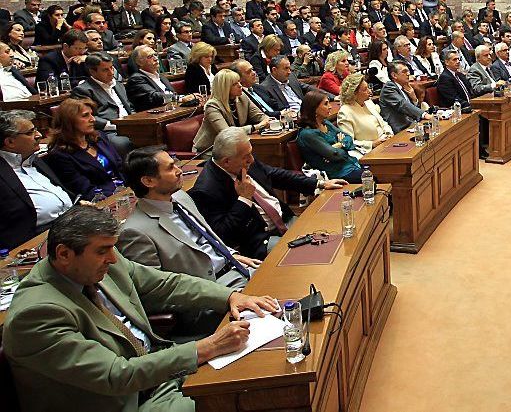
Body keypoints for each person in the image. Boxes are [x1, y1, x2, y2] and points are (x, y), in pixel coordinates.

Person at [3, 205, 279, 412]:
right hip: (130, 401)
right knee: (248, 402)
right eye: (102, 251)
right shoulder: (37, 314)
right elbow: (117, 375)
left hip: (160, 370)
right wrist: (207, 347)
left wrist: (230, 296)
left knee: (264, 373)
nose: (113, 259)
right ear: (63, 254)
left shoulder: (98, 263)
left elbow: (165, 285)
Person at [190, 127, 344, 259]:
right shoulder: (206, 190)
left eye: (251, 154)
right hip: (259, 240)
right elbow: (223, 235)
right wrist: (243, 199)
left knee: (331, 235)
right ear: (226, 162)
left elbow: (277, 175)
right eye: (246, 157)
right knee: (312, 253)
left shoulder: (244, 158)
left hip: (285, 220)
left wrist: (319, 183)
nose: (251, 159)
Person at [119, 147, 259, 289]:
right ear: (148, 181)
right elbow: (155, 289)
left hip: (234, 268)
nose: (179, 171)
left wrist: (229, 254)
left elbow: (205, 236)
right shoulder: (135, 232)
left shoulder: (181, 196)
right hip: (212, 289)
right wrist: (226, 296)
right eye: (170, 168)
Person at [0, 110, 74, 249]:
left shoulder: (36, 160)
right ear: (10, 142)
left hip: (70, 225)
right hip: (37, 242)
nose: (39, 135)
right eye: (30, 133)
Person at [44, 97, 125, 200]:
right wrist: (118, 196)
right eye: (85, 115)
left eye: (92, 114)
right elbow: (85, 190)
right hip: (101, 202)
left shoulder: (99, 138)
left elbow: (119, 167)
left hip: (124, 193)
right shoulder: (60, 155)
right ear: (69, 121)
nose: (93, 119)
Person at [70, 53, 134, 155]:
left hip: (130, 125)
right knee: (125, 142)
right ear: (92, 71)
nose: (111, 73)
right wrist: (115, 126)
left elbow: (130, 107)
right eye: (105, 70)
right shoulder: (83, 90)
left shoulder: (118, 85)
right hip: (108, 131)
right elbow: (87, 117)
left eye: (111, 68)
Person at [193, 69, 270, 153]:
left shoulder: (242, 97)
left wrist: (266, 121)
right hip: (210, 150)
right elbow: (227, 133)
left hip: (234, 147)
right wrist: (255, 127)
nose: (240, 86)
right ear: (224, 87)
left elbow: (260, 116)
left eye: (239, 82)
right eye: (235, 84)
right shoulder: (212, 106)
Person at [297, 91, 364, 182]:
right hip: (338, 174)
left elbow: (348, 138)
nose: (330, 106)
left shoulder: (326, 123)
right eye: (325, 104)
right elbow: (336, 155)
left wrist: (340, 145)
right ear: (314, 108)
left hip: (352, 164)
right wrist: (340, 148)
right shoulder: (308, 134)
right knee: (376, 177)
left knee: (382, 170)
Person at [126, 46, 197, 112]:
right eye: (150, 57)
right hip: (152, 117)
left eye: (155, 55)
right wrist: (180, 98)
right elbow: (154, 97)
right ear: (139, 62)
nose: (156, 59)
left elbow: (171, 94)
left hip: (171, 110)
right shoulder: (136, 79)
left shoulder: (161, 77)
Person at [336, 73, 393, 155]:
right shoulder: (345, 112)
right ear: (354, 93)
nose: (370, 91)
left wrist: (388, 133)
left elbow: (382, 122)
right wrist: (372, 144)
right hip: (370, 152)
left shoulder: (368, 103)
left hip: (386, 143)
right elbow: (348, 142)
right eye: (365, 89)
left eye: (368, 87)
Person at [378, 62, 431, 133]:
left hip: (412, 125)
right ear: (394, 75)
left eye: (408, 71)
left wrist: (414, 98)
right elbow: (403, 105)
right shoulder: (388, 88)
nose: (408, 74)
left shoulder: (404, 86)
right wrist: (424, 114)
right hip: (400, 130)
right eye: (404, 71)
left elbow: (413, 109)